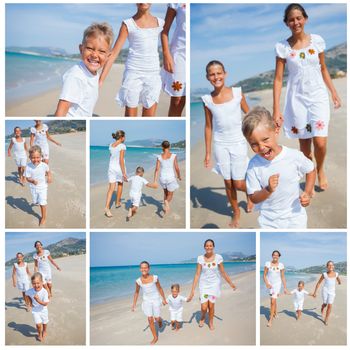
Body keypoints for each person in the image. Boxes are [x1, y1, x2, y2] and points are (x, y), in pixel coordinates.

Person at [273, 3, 341, 191]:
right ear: (286, 23)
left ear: (305, 19)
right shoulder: (282, 47)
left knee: (320, 141)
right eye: (291, 19)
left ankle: (320, 169)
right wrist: (277, 109)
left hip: (318, 96)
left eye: (298, 18)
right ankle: (310, 174)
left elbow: (324, 68)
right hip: (297, 100)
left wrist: (333, 92)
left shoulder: (317, 41)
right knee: (304, 147)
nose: (295, 22)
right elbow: (278, 79)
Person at [243, 106, 316, 229]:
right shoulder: (253, 166)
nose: (261, 147)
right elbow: (253, 198)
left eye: (265, 139)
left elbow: (311, 169)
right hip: (268, 220)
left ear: (276, 131)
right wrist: (268, 190)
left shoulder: (293, 156)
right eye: (254, 144)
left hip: (295, 215)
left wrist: (307, 193)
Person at [202, 60, 253, 228]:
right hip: (220, 144)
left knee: (238, 183)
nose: (216, 77)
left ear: (225, 74)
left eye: (219, 73)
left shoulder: (237, 93)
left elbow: (250, 114)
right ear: (207, 77)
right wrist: (208, 153)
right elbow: (209, 127)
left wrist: (262, 132)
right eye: (212, 74)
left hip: (238, 142)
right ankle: (236, 212)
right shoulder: (207, 100)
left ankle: (252, 193)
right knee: (228, 182)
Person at [100, 4, 165, 117]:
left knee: (149, 117)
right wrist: (100, 80)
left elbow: (167, 46)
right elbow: (114, 53)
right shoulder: (128, 24)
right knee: (130, 116)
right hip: (133, 73)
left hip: (153, 74)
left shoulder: (160, 23)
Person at [55, 22, 114, 117]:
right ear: (81, 49)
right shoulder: (76, 76)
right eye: (90, 48)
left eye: (102, 51)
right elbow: (62, 109)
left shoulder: (93, 73)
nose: (94, 55)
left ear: (108, 56)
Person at [188, 239, 236, 330]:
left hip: (214, 285)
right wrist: (192, 290)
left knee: (211, 305)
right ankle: (203, 316)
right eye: (207, 245)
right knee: (204, 307)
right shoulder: (200, 258)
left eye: (210, 245)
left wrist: (231, 284)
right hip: (204, 285)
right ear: (204, 247)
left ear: (213, 247)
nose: (208, 247)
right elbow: (197, 274)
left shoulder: (218, 257)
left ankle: (210, 322)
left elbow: (223, 272)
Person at [132, 261, 167, 345]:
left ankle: (159, 320)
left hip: (155, 299)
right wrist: (134, 304)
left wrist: (164, 298)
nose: (144, 269)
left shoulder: (155, 278)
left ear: (148, 268)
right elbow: (136, 292)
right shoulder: (138, 281)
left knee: (157, 318)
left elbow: (160, 288)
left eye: (145, 267)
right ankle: (155, 337)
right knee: (150, 319)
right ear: (140, 269)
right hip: (146, 301)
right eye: (142, 267)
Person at [161, 3, 186, 116]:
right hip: (179, 55)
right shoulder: (175, 3)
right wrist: (167, 55)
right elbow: (164, 30)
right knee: (177, 100)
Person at [25, 146, 52, 226]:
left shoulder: (44, 165)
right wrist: (32, 181)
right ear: (29, 157)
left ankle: (43, 217)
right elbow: (27, 178)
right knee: (35, 201)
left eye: (38, 157)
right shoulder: (28, 167)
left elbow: (48, 171)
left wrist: (49, 177)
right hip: (33, 188)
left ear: (41, 157)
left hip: (43, 187)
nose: (36, 160)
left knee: (42, 202)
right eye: (33, 158)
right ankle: (37, 201)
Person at [153, 140, 181, 215]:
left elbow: (156, 169)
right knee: (170, 194)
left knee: (165, 193)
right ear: (169, 146)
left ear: (162, 147)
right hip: (170, 178)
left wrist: (155, 180)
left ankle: (165, 207)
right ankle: (166, 202)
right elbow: (177, 168)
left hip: (162, 178)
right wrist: (179, 176)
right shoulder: (174, 156)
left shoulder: (159, 157)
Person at [104, 130, 127, 218]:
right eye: (124, 137)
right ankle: (117, 203)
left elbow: (111, 157)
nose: (125, 138)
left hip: (111, 168)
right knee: (120, 184)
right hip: (119, 169)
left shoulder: (111, 145)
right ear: (121, 138)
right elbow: (121, 160)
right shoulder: (122, 146)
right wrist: (124, 173)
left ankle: (107, 207)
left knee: (111, 188)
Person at [312, 260, 341, 325]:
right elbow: (319, 283)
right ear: (327, 267)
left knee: (330, 305)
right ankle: (322, 307)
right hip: (325, 291)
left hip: (332, 292)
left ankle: (326, 319)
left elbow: (338, 279)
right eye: (329, 265)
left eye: (332, 265)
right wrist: (315, 292)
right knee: (325, 304)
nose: (330, 266)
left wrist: (339, 282)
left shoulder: (336, 274)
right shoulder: (324, 274)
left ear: (333, 266)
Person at [263, 250, 288, 327]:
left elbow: (283, 277)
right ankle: (275, 312)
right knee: (273, 300)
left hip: (277, 284)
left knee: (272, 301)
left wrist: (285, 288)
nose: (275, 256)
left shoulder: (281, 265)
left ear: (279, 256)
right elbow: (264, 275)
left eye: (277, 255)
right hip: (270, 285)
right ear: (272, 255)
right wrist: (267, 283)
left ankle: (270, 320)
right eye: (274, 255)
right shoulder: (267, 264)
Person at [25, 272, 50, 342]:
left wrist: (38, 300)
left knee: (45, 322)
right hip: (35, 310)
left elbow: (46, 304)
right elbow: (26, 295)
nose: (36, 285)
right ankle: (39, 334)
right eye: (34, 283)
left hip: (43, 309)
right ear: (32, 283)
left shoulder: (44, 292)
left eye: (38, 283)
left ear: (42, 282)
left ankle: (44, 331)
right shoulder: (30, 291)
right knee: (38, 324)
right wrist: (30, 303)